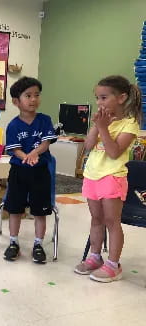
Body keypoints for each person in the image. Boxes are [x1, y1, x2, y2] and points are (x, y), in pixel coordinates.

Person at [74, 75, 141, 282]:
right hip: (92, 175)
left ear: (121, 98)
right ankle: (95, 257)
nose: (99, 103)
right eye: (97, 98)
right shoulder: (102, 120)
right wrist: (97, 125)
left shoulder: (129, 124)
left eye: (103, 98)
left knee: (112, 221)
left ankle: (113, 264)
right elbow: (88, 145)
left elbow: (113, 152)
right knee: (96, 219)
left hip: (112, 177)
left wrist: (103, 127)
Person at [3, 76, 57, 264]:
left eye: (37, 95)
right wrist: (25, 157)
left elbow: (46, 142)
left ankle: (38, 244)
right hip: (19, 172)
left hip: (40, 172)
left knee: (40, 211)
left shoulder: (45, 120)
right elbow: (14, 149)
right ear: (16, 101)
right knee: (15, 209)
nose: (34, 99)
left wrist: (33, 153)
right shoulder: (13, 125)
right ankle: (13, 242)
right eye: (28, 95)